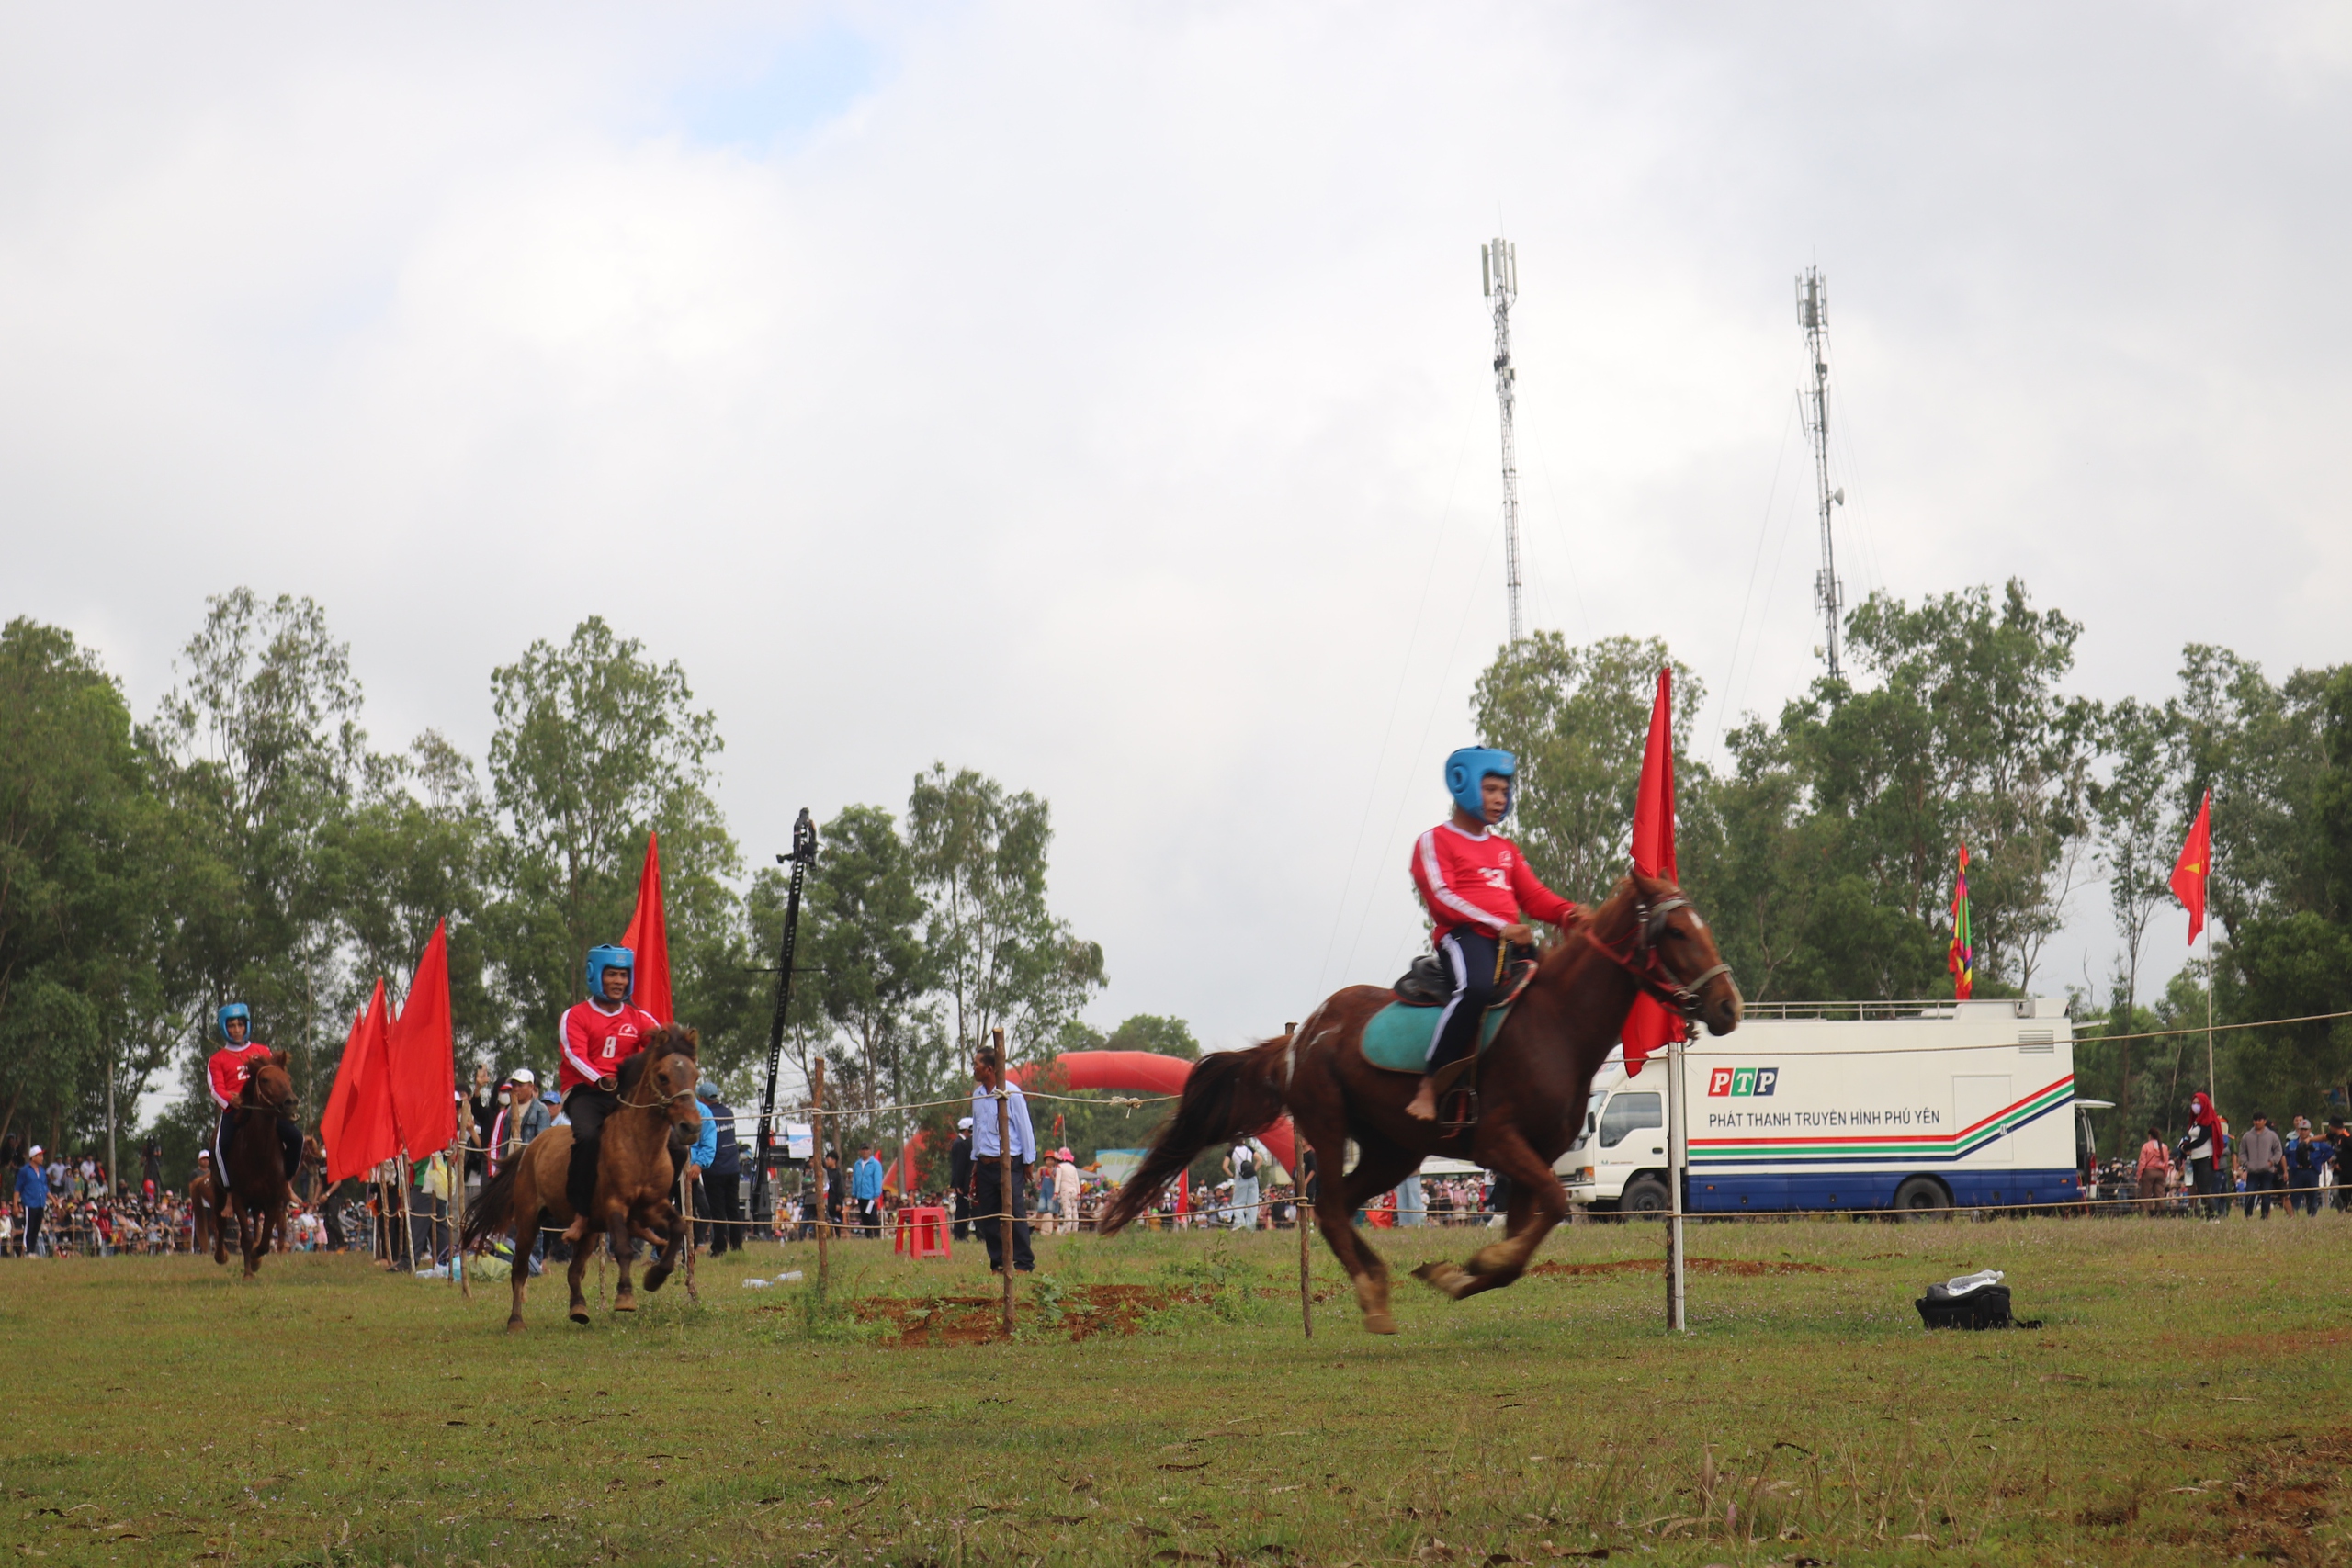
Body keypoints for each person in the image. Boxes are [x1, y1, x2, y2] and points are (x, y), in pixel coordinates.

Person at [1405, 747, 1581, 1122]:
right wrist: (1501, 926)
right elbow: (1442, 898)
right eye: (1491, 789)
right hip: (1464, 938)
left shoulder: (1506, 850)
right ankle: (1430, 1082)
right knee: (1476, 991)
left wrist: (1568, 913)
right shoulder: (1434, 841)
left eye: (1504, 790)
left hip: (1513, 942)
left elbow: (1533, 896)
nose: (1501, 799)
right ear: (1463, 785)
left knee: (1561, 993)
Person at [556, 945, 662, 1244]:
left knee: (674, 1145)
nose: (619, 981)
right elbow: (573, 1055)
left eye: (624, 975)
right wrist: (600, 1078)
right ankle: (581, 1214)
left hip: (624, 1095)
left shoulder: (640, 1018)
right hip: (584, 1092)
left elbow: (661, 1043)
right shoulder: (574, 1016)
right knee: (589, 1138)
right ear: (595, 975)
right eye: (612, 974)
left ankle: (644, 1214)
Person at [208, 1004, 301, 1181]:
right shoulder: (217, 1059)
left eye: (240, 1025)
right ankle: (228, 1192)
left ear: (247, 1026)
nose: (237, 1030)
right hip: (237, 1109)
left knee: (296, 1138)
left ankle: (286, 1183)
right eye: (232, 1025)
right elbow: (215, 1088)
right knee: (221, 1147)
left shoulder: (262, 1051)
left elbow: (276, 1076)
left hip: (265, 1108)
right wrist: (230, 1099)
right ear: (224, 1027)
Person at [966, 1043, 1035, 1273]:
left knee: (1014, 1213)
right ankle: (997, 1263)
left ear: (989, 1069)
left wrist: (1028, 1161)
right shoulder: (976, 1096)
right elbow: (978, 1130)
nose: (973, 1069)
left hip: (1009, 1163)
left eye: (976, 1064)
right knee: (989, 1217)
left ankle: (1024, 1262)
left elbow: (1025, 1129)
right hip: (985, 1164)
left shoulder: (1012, 1094)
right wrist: (975, 1160)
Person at [699, 1081, 743, 1255]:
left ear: (702, 1098)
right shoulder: (728, 1113)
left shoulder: (706, 1115)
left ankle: (719, 1247)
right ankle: (737, 1245)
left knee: (717, 1210)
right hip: (733, 1168)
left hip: (715, 1169)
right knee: (733, 1208)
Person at [2180, 1092, 2227, 1222]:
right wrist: (2184, 1146)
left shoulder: (2208, 1121)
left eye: (2198, 1103)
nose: (2195, 1106)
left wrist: (2187, 1147)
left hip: (2205, 1158)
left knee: (2206, 1189)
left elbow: (2201, 1140)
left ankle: (2215, 1216)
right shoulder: (2196, 1121)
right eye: (2193, 1103)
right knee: (2200, 1189)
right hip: (2195, 1158)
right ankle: (2208, 1216)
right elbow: (2192, 1137)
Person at [2240, 1111, 2285, 1219]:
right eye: (2255, 1120)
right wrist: (2246, 1164)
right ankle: (2248, 1215)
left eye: (2260, 1120)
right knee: (2250, 1194)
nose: (2257, 1122)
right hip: (2252, 1171)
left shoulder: (2272, 1135)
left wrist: (2272, 1162)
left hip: (2267, 1171)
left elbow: (2278, 1151)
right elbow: (2242, 1153)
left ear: (2264, 1121)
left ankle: (2265, 1216)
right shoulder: (2247, 1136)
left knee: (2266, 1195)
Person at [2288, 1117, 2328, 1217]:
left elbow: (2329, 1151)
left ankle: (2312, 1213)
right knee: (2295, 1193)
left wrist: (2319, 1161)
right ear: (2298, 1130)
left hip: (2312, 1171)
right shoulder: (2292, 1143)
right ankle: (2292, 1213)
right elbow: (2286, 1156)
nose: (2303, 1132)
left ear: (2310, 1130)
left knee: (2312, 1194)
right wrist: (2293, 1165)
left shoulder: (2317, 1143)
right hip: (2298, 1172)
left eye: (2306, 1129)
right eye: (2301, 1129)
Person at [15, 1146, 49, 1258]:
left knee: (36, 1227)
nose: (42, 1158)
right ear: (33, 1157)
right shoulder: (25, 1170)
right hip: (30, 1202)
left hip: (40, 1202)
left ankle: (32, 1251)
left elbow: (44, 1187)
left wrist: (52, 1198)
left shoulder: (42, 1171)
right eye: (40, 1155)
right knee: (29, 1226)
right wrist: (15, 1204)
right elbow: (18, 1188)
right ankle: (26, 1250)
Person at [1222, 1138, 1261, 1230]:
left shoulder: (1231, 1151)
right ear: (1243, 1140)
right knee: (1253, 1203)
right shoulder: (1249, 1148)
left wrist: (1232, 1175)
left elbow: (1224, 1166)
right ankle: (1251, 1227)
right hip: (1252, 1178)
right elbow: (1260, 1159)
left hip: (1240, 1178)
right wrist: (1254, 1170)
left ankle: (1240, 1222)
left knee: (1238, 1202)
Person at [2134, 1125, 2172, 1215]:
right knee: (2160, 1196)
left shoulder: (2146, 1146)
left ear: (2150, 1136)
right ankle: (2162, 1215)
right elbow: (2166, 1162)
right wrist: (2165, 1174)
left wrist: (2139, 1175)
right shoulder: (2164, 1147)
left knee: (2146, 1195)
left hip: (2148, 1172)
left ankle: (2145, 1214)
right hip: (2160, 1173)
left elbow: (2142, 1162)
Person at [948, 1118, 975, 1239]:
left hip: (964, 1182)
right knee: (962, 1209)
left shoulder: (963, 1143)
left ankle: (962, 1233)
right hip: (962, 1183)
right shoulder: (959, 1144)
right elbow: (959, 1166)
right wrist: (958, 1184)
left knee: (965, 1208)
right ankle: (959, 1234)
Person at [851, 1146, 886, 1239]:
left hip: (870, 1196)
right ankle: (868, 1236)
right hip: (860, 1195)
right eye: (863, 1149)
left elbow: (877, 1180)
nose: (864, 1151)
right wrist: (854, 1194)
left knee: (872, 1217)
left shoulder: (875, 1164)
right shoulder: (857, 1164)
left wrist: (877, 1195)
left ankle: (877, 1236)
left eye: (866, 1149)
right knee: (864, 1217)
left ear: (870, 1151)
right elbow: (855, 1179)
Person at [1052, 1147, 1082, 1235]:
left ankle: (1067, 1231)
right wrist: (1079, 1192)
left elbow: (1058, 1180)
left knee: (1067, 1211)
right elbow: (1077, 1180)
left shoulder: (1060, 1167)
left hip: (1065, 1190)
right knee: (1074, 1211)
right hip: (1074, 1190)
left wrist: (1056, 1192)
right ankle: (1075, 1230)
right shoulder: (1073, 1167)